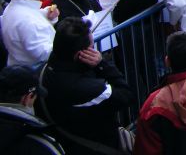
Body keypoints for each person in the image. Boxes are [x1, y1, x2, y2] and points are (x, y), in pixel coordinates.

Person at [37, 18, 134, 153]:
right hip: (93, 145)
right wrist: (102, 65)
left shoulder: (44, 71)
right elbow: (126, 95)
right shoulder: (88, 89)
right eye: (92, 47)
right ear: (81, 54)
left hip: (61, 143)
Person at [1, 0, 59, 65]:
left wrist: (47, 14)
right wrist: (67, 45)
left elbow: (32, 16)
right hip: (34, 75)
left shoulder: (12, 8)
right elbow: (43, 54)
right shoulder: (26, 20)